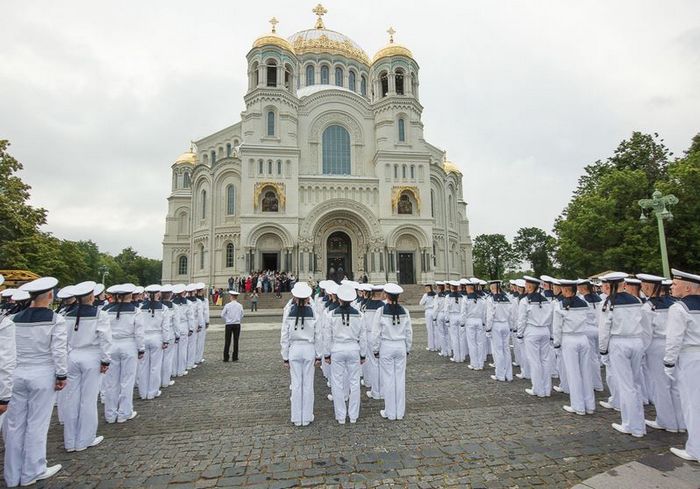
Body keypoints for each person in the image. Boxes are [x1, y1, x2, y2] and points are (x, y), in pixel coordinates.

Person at [3, 277, 66, 487]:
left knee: (13, 425)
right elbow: (58, 351)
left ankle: (12, 475)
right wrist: (61, 375)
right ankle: (33, 469)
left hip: (16, 375)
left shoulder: (13, 319)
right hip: (42, 373)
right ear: (50, 295)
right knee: (37, 424)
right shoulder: (55, 319)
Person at [62, 280, 112, 452]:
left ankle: (70, 441)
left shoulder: (66, 315)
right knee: (88, 400)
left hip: (72, 356)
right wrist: (106, 360)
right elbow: (105, 339)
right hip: (91, 356)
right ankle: (86, 438)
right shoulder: (100, 314)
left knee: (71, 398)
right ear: (91, 296)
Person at [599, 271, 650, 438]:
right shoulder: (636, 300)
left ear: (609, 285)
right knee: (635, 384)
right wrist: (643, 345)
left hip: (619, 342)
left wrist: (603, 349)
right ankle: (639, 424)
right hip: (636, 341)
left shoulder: (609, 302)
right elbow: (645, 325)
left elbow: (605, 329)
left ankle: (632, 425)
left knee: (625, 385)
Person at [637, 273, 683, 433]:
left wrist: (642, 351)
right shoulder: (675, 303)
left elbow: (646, 334)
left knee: (660, 385)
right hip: (674, 345)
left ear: (648, 287)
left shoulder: (648, 307)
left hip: (656, 346)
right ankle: (681, 421)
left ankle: (667, 421)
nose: (642, 288)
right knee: (675, 384)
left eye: (643, 285)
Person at [664, 268, 700, 461]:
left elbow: (674, 340)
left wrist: (669, 363)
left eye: (675, 284)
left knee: (692, 405)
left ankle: (695, 449)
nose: (672, 287)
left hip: (690, 358)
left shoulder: (678, 308)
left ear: (687, 288)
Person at [324, 283, 366, 424]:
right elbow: (363, 336)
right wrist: (363, 354)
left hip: (337, 349)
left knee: (337, 382)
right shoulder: (359, 315)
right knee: (354, 383)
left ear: (340, 299)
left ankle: (341, 416)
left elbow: (327, 336)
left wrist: (326, 354)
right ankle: (353, 415)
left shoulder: (331, 315)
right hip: (353, 349)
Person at [552, 279, 595, 416]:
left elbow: (557, 327)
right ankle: (590, 405)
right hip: (583, 337)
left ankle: (578, 406)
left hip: (569, 338)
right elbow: (589, 319)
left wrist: (556, 343)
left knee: (573, 373)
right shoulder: (584, 303)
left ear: (565, 290)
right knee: (586, 372)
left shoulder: (560, 305)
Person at [280, 283, 321, 426]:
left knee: (296, 384)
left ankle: (297, 417)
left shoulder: (289, 310)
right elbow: (318, 334)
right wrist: (318, 355)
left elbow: (284, 335)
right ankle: (307, 416)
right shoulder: (313, 311)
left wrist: (285, 356)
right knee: (308, 384)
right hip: (308, 348)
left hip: (295, 349)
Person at [103, 283, 144, 424]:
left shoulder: (106, 311)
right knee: (127, 380)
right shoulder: (135, 310)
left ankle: (110, 414)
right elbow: (139, 333)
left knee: (110, 382)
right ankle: (124, 413)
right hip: (128, 345)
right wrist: (141, 348)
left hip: (111, 345)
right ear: (131, 295)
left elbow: (103, 333)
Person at [371, 283, 412, 421]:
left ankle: (390, 412)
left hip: (387, 346)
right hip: (400, 346)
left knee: (388, 379)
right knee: (400, 379)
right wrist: (407, 348)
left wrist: (375, 349)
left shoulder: (381, 311)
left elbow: (376, 333)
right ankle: (399, 412)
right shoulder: (405, 311)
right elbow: (408, 332)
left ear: (386, 295)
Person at [516, 276, 554, 397]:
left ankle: (538, 389)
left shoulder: (525, 301)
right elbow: (551, 318)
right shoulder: (547, 301)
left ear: (529, 286)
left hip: (532, 330)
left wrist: (519, 334)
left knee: (534, 361)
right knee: (545, 360)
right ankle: (547, 389)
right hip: (545, 330)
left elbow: (522, 320)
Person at [138, 285, 170, 400]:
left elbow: (138, 326)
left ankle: (143, 392)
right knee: (155, 366)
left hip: (144, 336)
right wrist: (166, 340)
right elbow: (165, 327)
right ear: (158, 294)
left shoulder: (141, 308)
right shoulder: (164, 308)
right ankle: (153, 391)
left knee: (143, 366)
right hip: (157, 336)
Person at [485, 280, 513, 382]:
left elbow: (490, 316)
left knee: (498, 351)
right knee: (506, 350)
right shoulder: (507, 298)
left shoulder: (491, 299)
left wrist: (488, 328)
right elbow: (511, 314)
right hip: (505, 324)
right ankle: (509, 375)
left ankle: (500, 374)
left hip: (496, 325)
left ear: (492, 288)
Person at [463, 279, 487, 369]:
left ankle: (474, 363)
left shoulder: (466, 299)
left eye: (466, 288)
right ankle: (481, 364)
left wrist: (462, 323)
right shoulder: (481, 299)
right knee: (480, 343)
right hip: (479, 321)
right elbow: (484, 312)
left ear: (469, 288)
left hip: (470, 321)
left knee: (472, 343)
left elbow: (463, 313)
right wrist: (484, 322)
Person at [159, 285, 178, 388]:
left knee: (157, 361)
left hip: (158, 334)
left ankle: (156, 382)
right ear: (170, 295)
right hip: (169, 333)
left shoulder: (158, 305)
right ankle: (165, 380)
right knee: (167, 358)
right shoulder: (173, 306)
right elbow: (176, 323)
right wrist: (177, 335)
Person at [222, 291, 244, 362]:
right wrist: (238, 320)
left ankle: (226, 357)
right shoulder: (240, 305)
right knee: (236, 341)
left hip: (229, 324)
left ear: (231, 296)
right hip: (237, 324)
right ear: (236, 297)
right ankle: (235, 357)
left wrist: (227, 319)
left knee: (227, 341)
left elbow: (222, 315)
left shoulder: (227, 305)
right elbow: (242, 315)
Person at [419, 284, 437, 352]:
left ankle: (431, 346)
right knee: (435, 329)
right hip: (434, 311)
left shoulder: (426, 295)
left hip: (429, 311)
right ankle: (436, 346)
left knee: (430, 329)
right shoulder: (435, 295)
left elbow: (421, 303)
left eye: (426, 288)